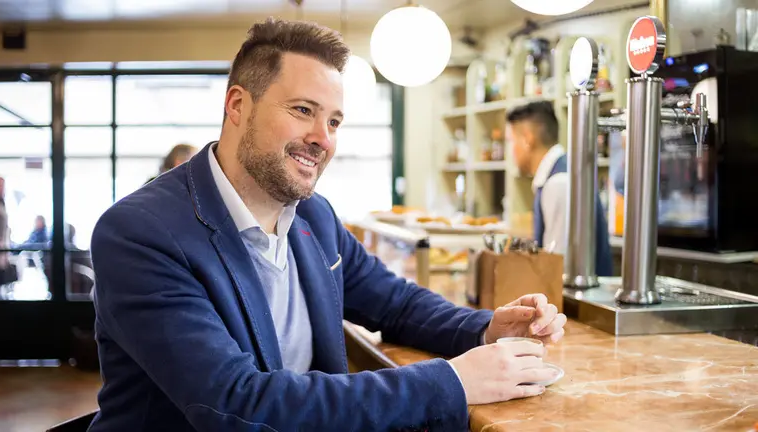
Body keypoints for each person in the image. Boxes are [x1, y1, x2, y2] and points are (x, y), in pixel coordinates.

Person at [88, 18, 567, 432]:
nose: (322, 139)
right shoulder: (139, 233)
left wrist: (486, 327)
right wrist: (454, 381)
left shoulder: (313, 216)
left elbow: (396, 305)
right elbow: (234, 405)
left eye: (335, 121)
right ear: (237, 106)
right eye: (303, 111)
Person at [506, 100, 613, 276]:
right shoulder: (558, 175)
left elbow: (556, 268)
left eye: (511, 141)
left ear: (527, 138)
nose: (510, 151)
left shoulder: (559, 184)